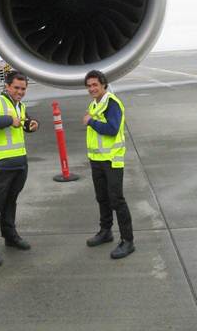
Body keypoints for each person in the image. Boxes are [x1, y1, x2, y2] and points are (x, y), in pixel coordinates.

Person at [0, 70, 39, 267]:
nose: (20, 92)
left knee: (11, 202)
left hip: (19, 163)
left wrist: (31, 124)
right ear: (7, 86)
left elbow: (23, 124)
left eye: (23, 89)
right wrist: (8, 120)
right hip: (1, 164)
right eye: (17, 88)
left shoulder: (20, 105)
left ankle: (10, 235)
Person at [83, 70, 134, 259]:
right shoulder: (95, 103)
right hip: (97, 160)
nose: (92, 89)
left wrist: (90, 122)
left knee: (117, 200)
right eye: (89, 86)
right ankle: (106, 231)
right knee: (102, 197)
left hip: (112, 160)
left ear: (103, 84)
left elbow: (112, 129)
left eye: (95, 85)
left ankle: (128, 241)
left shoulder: (111, 103)